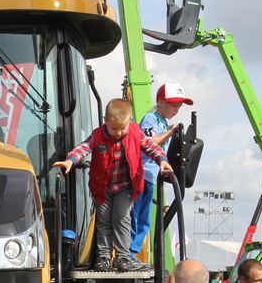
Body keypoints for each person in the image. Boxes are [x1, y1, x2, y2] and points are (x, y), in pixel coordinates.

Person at [53, 98, 173, 273]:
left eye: (122, 129)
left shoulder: (135, 133)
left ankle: (123, 257)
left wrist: (162, 161)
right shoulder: (98, 135)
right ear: (105, 121)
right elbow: (84, 147)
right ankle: (103, 256)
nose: (118, 133)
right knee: (103, 221)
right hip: (103, 187)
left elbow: (151, 147)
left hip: (125, 186)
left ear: (130, 121)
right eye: (114, 128)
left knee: (122, 218)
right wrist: (70, 160)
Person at [130, 83, 191, 261]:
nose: (177, 109)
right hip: (140, 175)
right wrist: (170, 132)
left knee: (143, 219)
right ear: (161, 102)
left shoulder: (161, 122)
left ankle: (131, 254)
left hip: (149, 177)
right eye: (174, 105)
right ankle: (129, 253)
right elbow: (147, 142)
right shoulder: (151, 119)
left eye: (179, 106)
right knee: (136, 216)